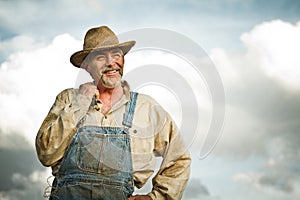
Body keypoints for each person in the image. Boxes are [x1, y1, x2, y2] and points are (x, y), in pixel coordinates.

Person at [36, 25, 191, 200]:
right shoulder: (68, 99)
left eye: (116, 54)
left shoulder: (146, 107)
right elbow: (46, 153)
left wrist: (157, 197)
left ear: (123, 59)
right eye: (101, 57)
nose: (111, 62)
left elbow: (179, 158)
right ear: (86, 65)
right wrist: (80, 104)